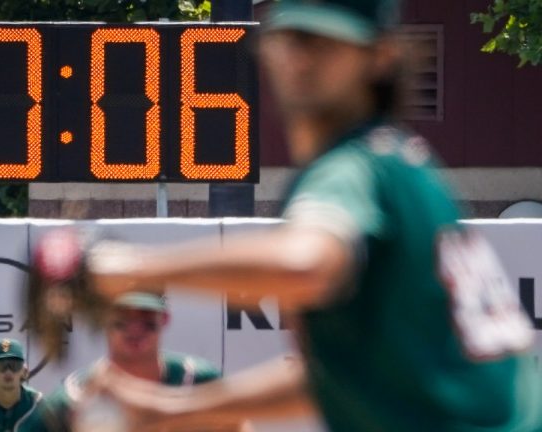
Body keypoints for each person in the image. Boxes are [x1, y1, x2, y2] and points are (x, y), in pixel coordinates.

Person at [73, 0, 542, 430]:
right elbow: (330, 380)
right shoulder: (404, 168)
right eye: (290, 38)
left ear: (379, 56)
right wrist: (170, 410)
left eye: (325, 43)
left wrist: (115, 267)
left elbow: (306, 265)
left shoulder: (352, 168)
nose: (300, 58)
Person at [38, 291, 238, 431]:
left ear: (165, 318)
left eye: (145, 318)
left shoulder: (201, 383)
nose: (134, 329)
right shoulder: (69, 400)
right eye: (122, 318)